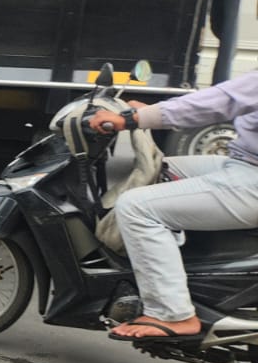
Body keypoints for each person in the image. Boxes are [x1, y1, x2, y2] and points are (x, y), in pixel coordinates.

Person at [87, 75, 258, 339]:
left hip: (252, 181)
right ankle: (180, 271)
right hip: (244, 165)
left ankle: (172, 312)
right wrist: (149, 112)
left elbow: (218, 102)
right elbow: (213, 100)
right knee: (163, 169)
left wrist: (133, 119)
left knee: (135, 207)